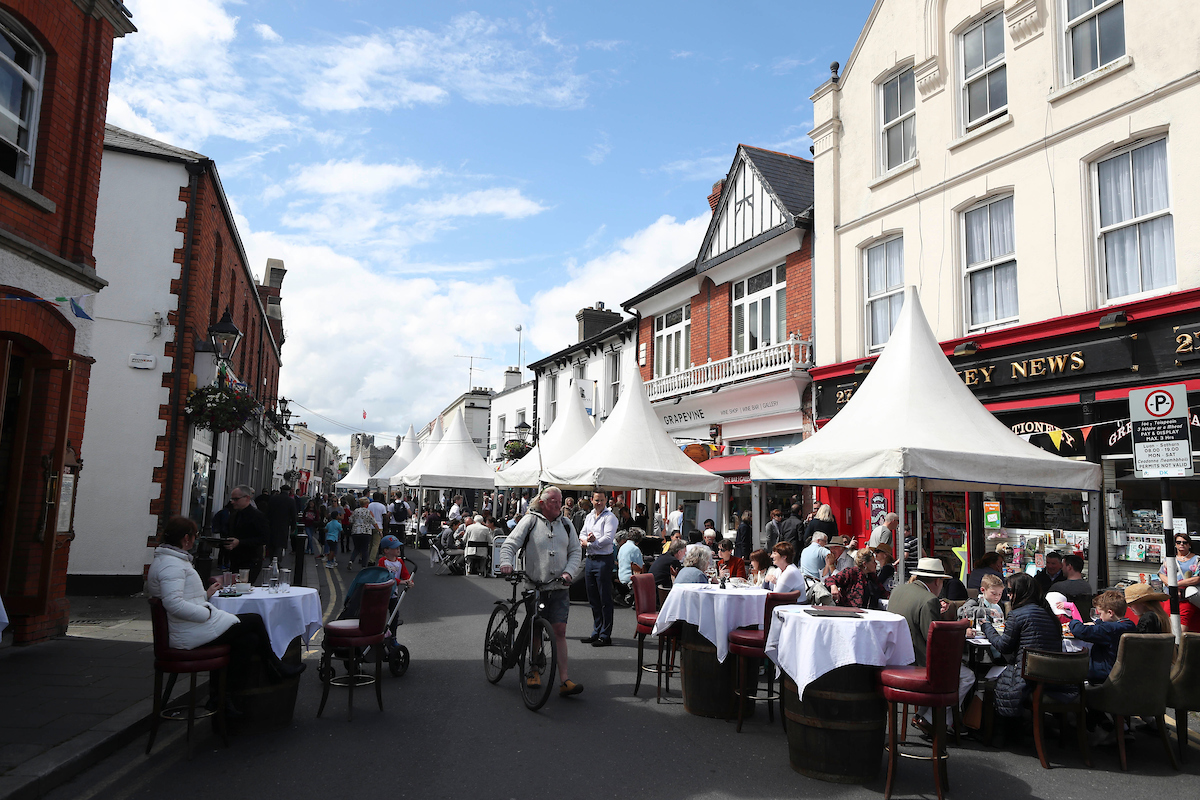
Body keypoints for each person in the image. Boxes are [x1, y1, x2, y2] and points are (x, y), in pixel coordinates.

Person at [148, 516, 302, 711]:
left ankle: (221, 697)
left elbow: (179, 597)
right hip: (189, 632)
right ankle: (276, 667)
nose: (195, 541)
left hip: (189, 628)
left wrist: (205, 594)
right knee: (254, 620)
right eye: (194, 536)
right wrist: (205, 613)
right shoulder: (172, 565)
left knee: (250, 641)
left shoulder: (172, 561)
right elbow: (174, 603)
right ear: (186, 538)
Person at [498, 486, 584, 697]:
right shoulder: (530, 521)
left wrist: (569, 573)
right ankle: (533, 670)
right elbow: (510, 544)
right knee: (535, 629)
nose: (559, 504)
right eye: (554, 501)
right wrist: (506, 562)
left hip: (559, 587)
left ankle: (564, 680)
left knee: (560, 632)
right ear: (543, 503)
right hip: (534, 586)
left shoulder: (566, 524)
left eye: (560, 500)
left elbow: (575, 551)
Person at [890, 558, 975, 735]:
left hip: (896, 659)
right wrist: (959, 632)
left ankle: (926, 715)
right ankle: (936, 719)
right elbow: (934, 641)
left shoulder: (898, 590)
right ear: (937, 581)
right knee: (967, 676)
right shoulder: (929, 600)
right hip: (917, 663)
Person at [978, 573, 1062, 726]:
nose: (1008, 596)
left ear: (1021, 592)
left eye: (1010, 591)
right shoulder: (1050, 615)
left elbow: (1003, 645)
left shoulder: (1017, 615)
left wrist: (986, 626)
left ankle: (993, 732)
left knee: (985, 677)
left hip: (1028, 677)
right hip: (1054, 678)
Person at [1068, 590, 1135, 684]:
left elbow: (1081, 631)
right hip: (1120, 674)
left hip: (1103, 677)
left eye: (1100, 614)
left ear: (1110, 613)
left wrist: (1073, 621)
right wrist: (1097, 622)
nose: (1100, 617)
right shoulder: (1129, 625)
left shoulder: (1109, 630)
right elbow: (1104, 624)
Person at [580, 490, 618, 647]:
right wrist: (586, 540)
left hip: (603, 559)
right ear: (592, 500)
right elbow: (581, 533)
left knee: (604, 598)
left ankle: (605, 634)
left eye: (602, 500)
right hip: (590, 559)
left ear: (606, 500)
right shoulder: (589, 516)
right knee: (593, 598)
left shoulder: (610, 517)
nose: (599, 503)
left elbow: (608, 539)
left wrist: (591, 543)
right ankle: (596, 631)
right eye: (597, 500)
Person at [222, 485, 268, 583]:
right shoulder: (234, 515)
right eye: (232, 499)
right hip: (235, 560)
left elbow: (264, 538)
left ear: (247, 498)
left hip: (250, 561)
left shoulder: (257, 516)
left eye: (236, 499)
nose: (232, 502)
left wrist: (240, 542)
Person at [1160, 534, 1200, 631]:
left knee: (1182, 625)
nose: (1181, 544)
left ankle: (1179, 644)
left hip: (1187, 597)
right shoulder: (1169, 559)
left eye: (1184, 542)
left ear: (1189, 544)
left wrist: (1175, 584)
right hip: (1170, 597)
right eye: (1178, 542)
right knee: (1167, 623)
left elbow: (1197, 578)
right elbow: (1161, 574)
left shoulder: (1196, 559)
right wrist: (1172, 586)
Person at [264, 484, 297, 561]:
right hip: (283, 525)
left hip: (272, 524)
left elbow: (267, 512)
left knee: (272, 543)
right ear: (288, 491)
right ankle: (277, 562)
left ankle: (272, 560)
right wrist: (293, 527)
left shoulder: (273, 499)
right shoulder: (290, 501)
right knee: (280, 544)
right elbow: (293, 515)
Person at [348, 497, 377, 571]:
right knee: (365, 549)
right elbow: (374, 522)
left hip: (356, 531)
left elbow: (350, 520)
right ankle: (364, 566)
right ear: (366, 504)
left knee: (356, 548)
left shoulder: (356, 511)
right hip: (366, 532)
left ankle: (351, 561)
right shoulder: (368, 512)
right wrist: (379, 530)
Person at [616, 529, 644, 603]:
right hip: (629, 579)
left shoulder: (622, 547)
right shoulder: (635, 549)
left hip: (620, 575)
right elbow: (640, 567)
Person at [367, 492, 390, 563]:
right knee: (375, 545)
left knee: (369, 544)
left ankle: (367, 558)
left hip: (369, 526)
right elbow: (385, 518)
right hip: (379, 526)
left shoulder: (369, 505)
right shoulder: (382, 506)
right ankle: (371, 560)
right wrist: (386, 529)